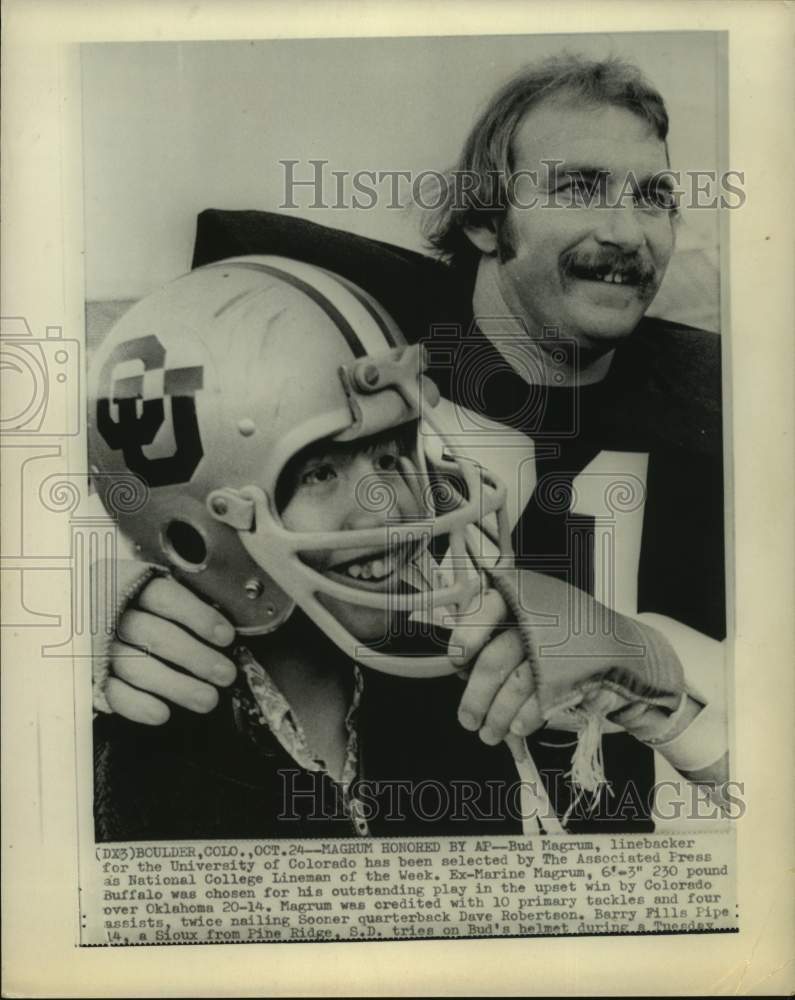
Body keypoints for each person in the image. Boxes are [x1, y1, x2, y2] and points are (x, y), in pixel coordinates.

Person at [95, 55, 728, 826]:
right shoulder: (353, 390)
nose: (627, 232)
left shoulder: (722, 422)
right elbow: (129, 482)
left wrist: (655, 661)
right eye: (578, 186)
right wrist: (88, 604)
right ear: (482, 218)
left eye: (654, 197)